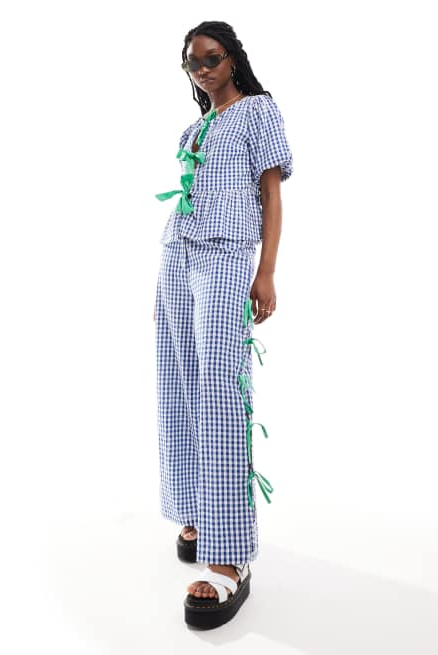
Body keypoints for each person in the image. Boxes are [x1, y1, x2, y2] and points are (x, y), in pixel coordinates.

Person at [153, 20, 293, 629]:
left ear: (233, 58)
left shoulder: (259, 111)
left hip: (228, 257)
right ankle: (196, 508)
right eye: (193, 63)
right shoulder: (196, 127)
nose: (203, 70)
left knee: (220, 391)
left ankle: (229, 554)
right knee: (179, 383)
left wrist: (267, 271)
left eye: (212, 58)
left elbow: (271, 195)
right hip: (177, 257)